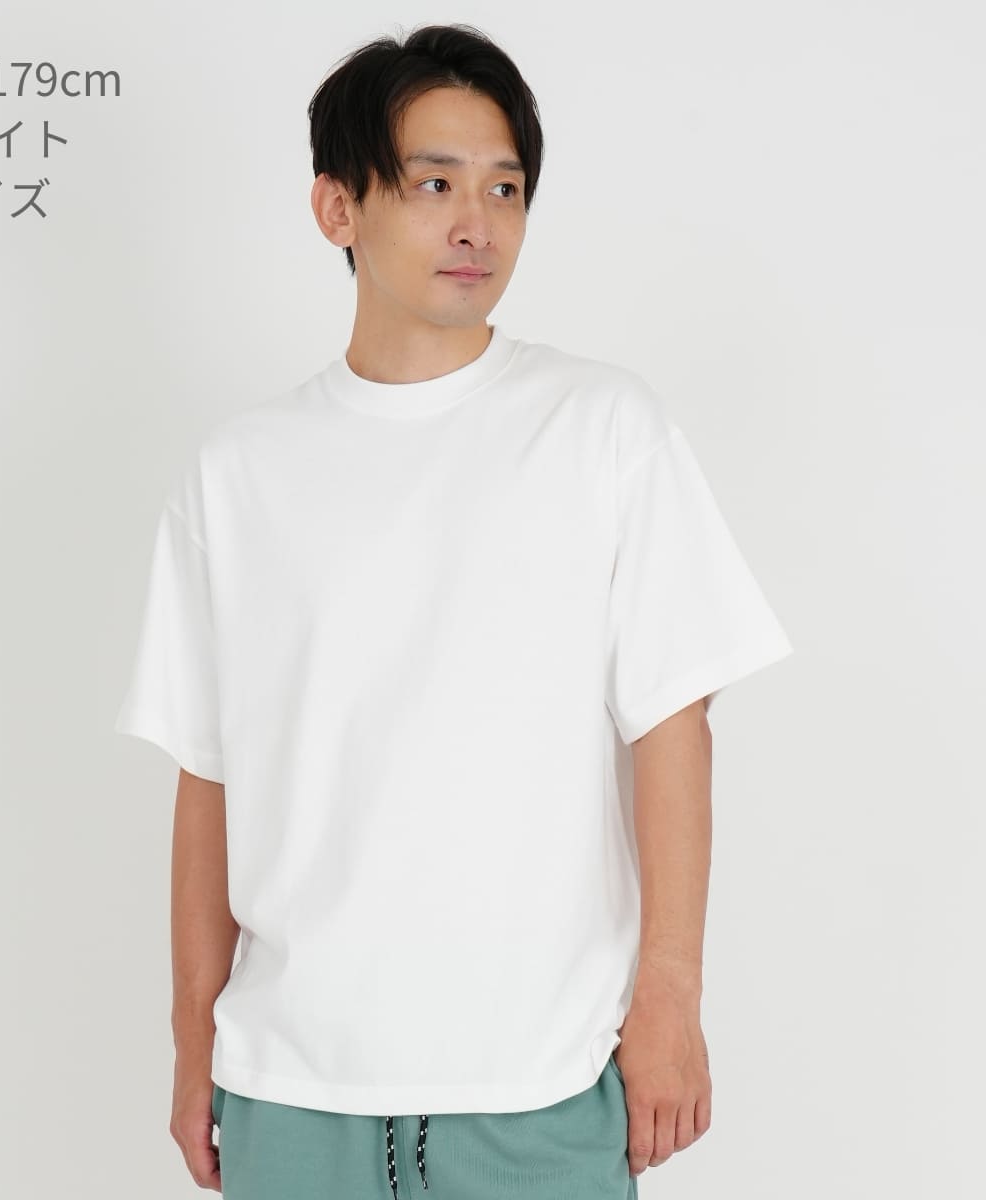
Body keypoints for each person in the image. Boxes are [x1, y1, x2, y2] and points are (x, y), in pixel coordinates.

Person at [114, 22, 793, 1200]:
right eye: (434, 185)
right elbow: (208, 780)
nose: (477, 223)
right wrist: (193, 1046)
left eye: (504, 188)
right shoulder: (239, 474)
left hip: (542, 1088)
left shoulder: (602, 430)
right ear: (338, 207)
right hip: (290, 1095)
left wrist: (670, 998)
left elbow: (673, 724)